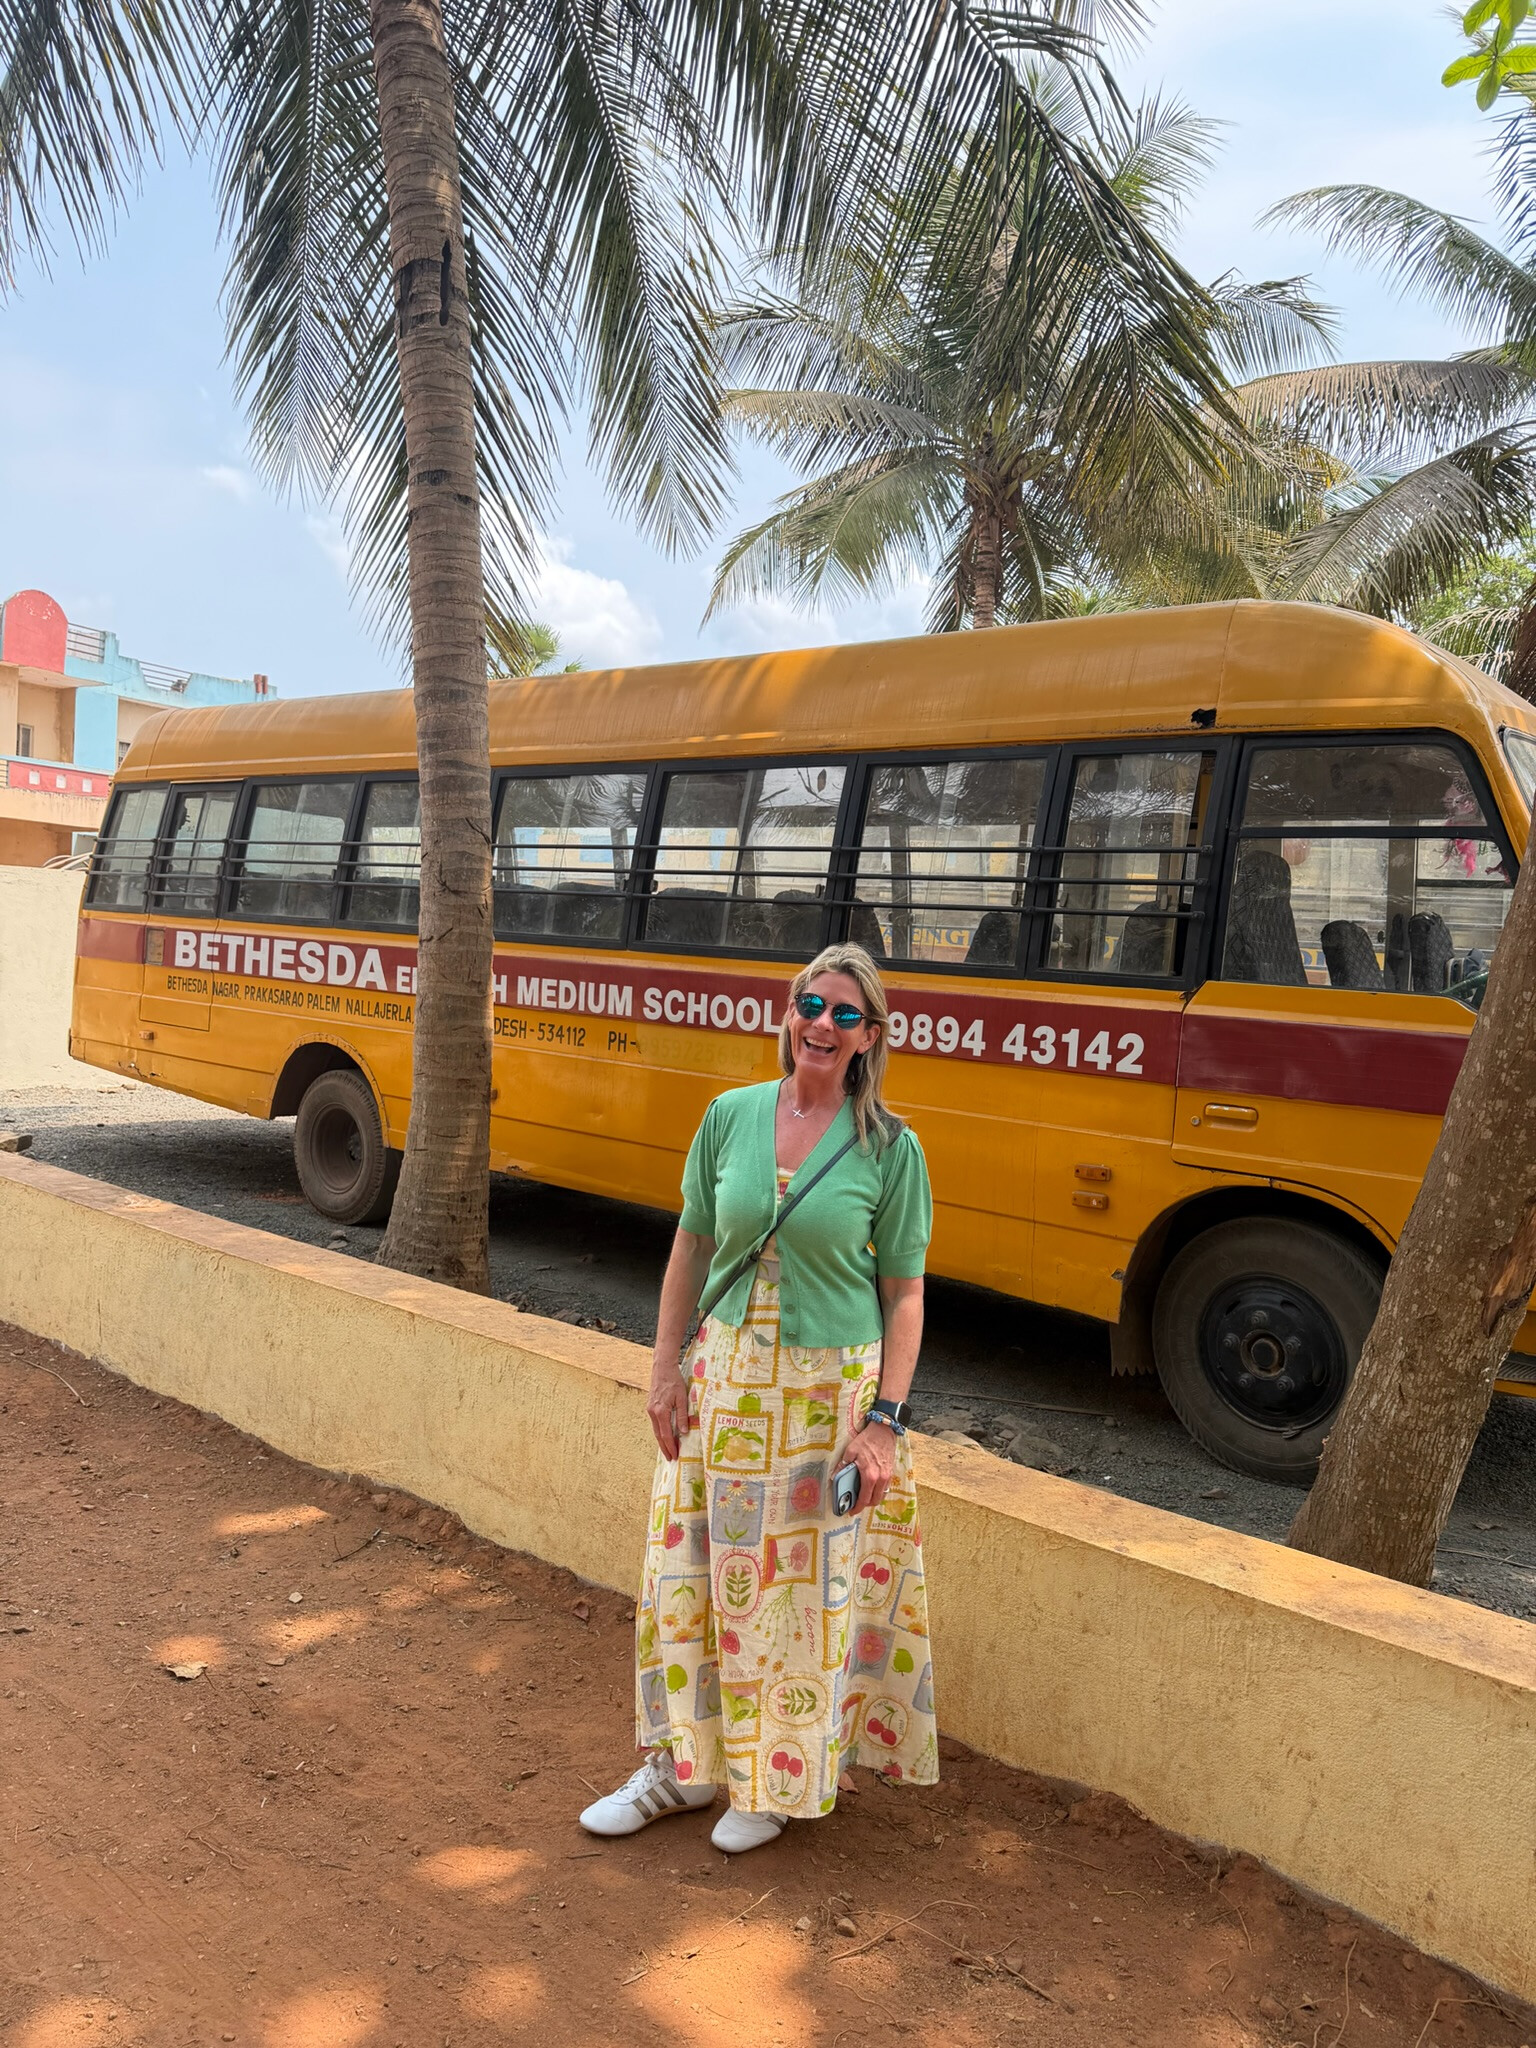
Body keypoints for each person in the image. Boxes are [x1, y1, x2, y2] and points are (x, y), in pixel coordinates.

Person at [579, 942, 938, 1854]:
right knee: (688, 1573)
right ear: (789, 1013)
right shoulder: (731, 1115)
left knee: (796, 1596)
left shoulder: (891, 1149)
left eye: (845, 1014)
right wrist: (664, 1370)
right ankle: (683, 1767)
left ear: (870, 1035)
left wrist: (885, 1424)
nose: (823, 1024)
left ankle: (773, 1781)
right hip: (723, 1382)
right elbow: (690, 1246)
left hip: (825, 1401)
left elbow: (904, 1294)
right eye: (811, 1005)